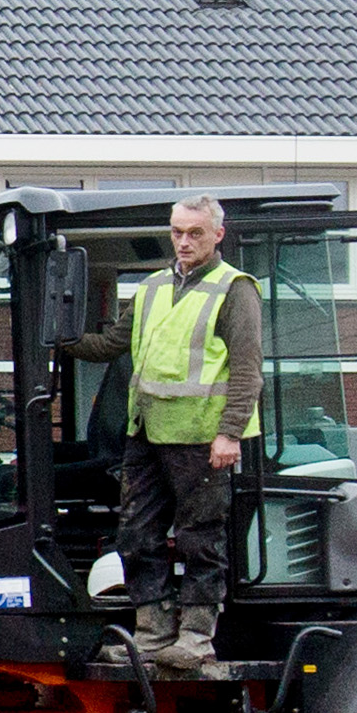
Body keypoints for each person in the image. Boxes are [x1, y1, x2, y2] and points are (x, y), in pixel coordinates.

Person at [106, 195, 263, 666]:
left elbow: (247, 370)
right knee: (135, 535)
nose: (183, 241)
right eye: (177, 232)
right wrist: (60, 339)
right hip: (149, 432)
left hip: (203, 439)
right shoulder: (153, 287)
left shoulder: (234, 288)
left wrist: (229, 434)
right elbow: (114, 342)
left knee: (200, 538)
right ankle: (152, 633)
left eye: (195, 233)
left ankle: (195, 637)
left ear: (218, 234)